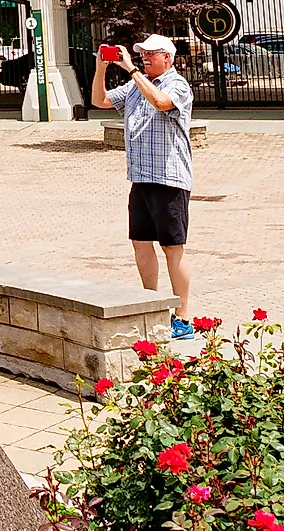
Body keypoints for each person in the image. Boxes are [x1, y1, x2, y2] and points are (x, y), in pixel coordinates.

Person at [90, 23, 196, 337]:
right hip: (141, 177)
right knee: (141, 243)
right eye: (142, 54)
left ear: (168, 58)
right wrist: (101, 68)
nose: (145, 58)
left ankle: (183, 318)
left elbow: (162, 103)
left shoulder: (177, 85)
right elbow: (100, 101)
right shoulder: (137, 85)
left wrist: (133, 70)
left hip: (169, 178)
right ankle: (151, 305)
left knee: (172, 247)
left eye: (151, 54)